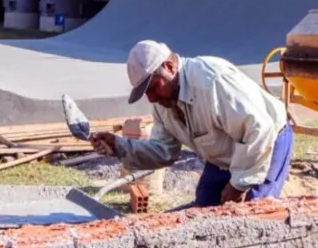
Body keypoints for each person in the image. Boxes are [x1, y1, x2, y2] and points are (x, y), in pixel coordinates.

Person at [90, 40, 294, 206]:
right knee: (204, 208)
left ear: (169, 67)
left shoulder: (212, 82)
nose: (151, 99)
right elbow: (163, 151)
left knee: (253, 212)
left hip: (267, 141)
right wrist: (120, 146)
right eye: (146, 93)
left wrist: (239, 185)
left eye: (153, 88)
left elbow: (259, 129)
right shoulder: (163, 103)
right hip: (224, 153)